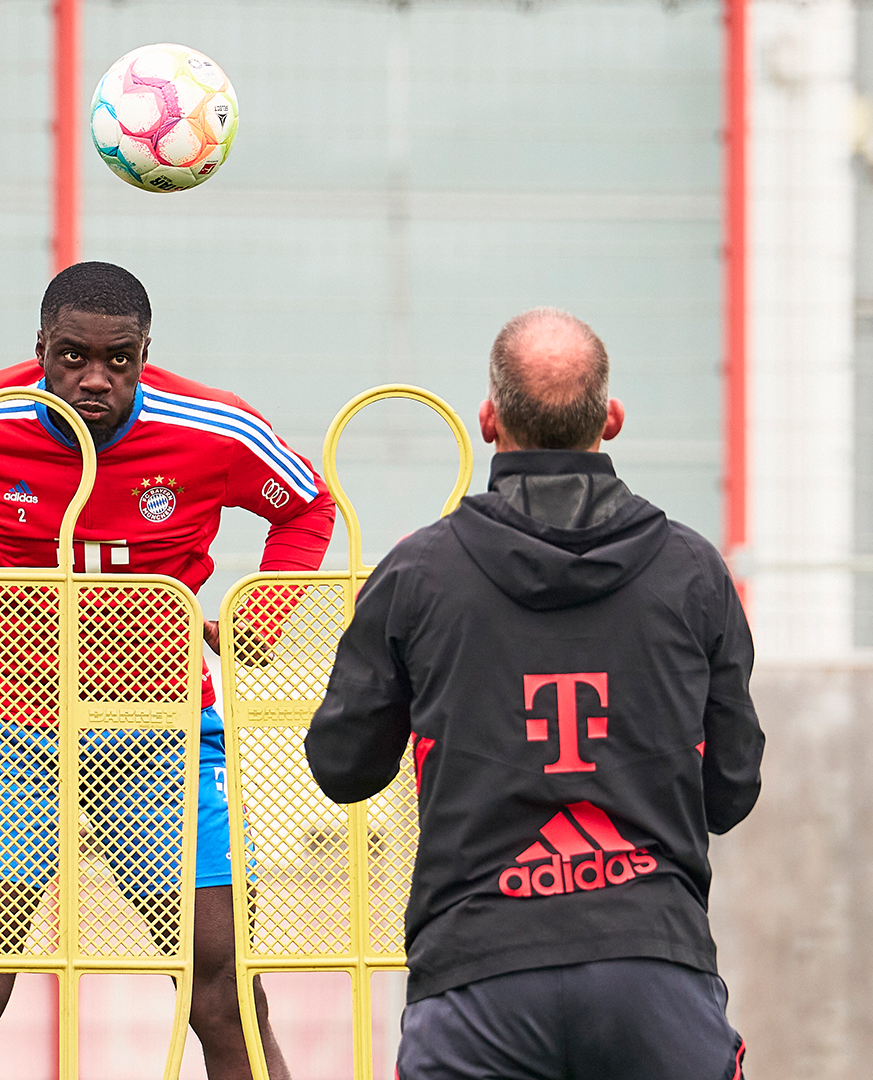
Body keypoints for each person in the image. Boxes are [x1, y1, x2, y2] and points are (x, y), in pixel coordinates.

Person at [0, 261, 328, 1080]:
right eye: (72, 356)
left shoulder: (213, 428)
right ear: (39, 347)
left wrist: (263, 616)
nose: (93, 380)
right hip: (5, 731)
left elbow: (309, 506)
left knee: (223, 990)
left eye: (120, 360)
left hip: (159, 736)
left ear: (147, 354)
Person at [304, 308, 763, 1080]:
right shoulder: (693, 571)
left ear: (488, 420)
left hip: (478, 974)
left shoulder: (420, 575)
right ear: (610, 419)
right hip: (652, 969)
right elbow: (731, 791)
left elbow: (342, 765)